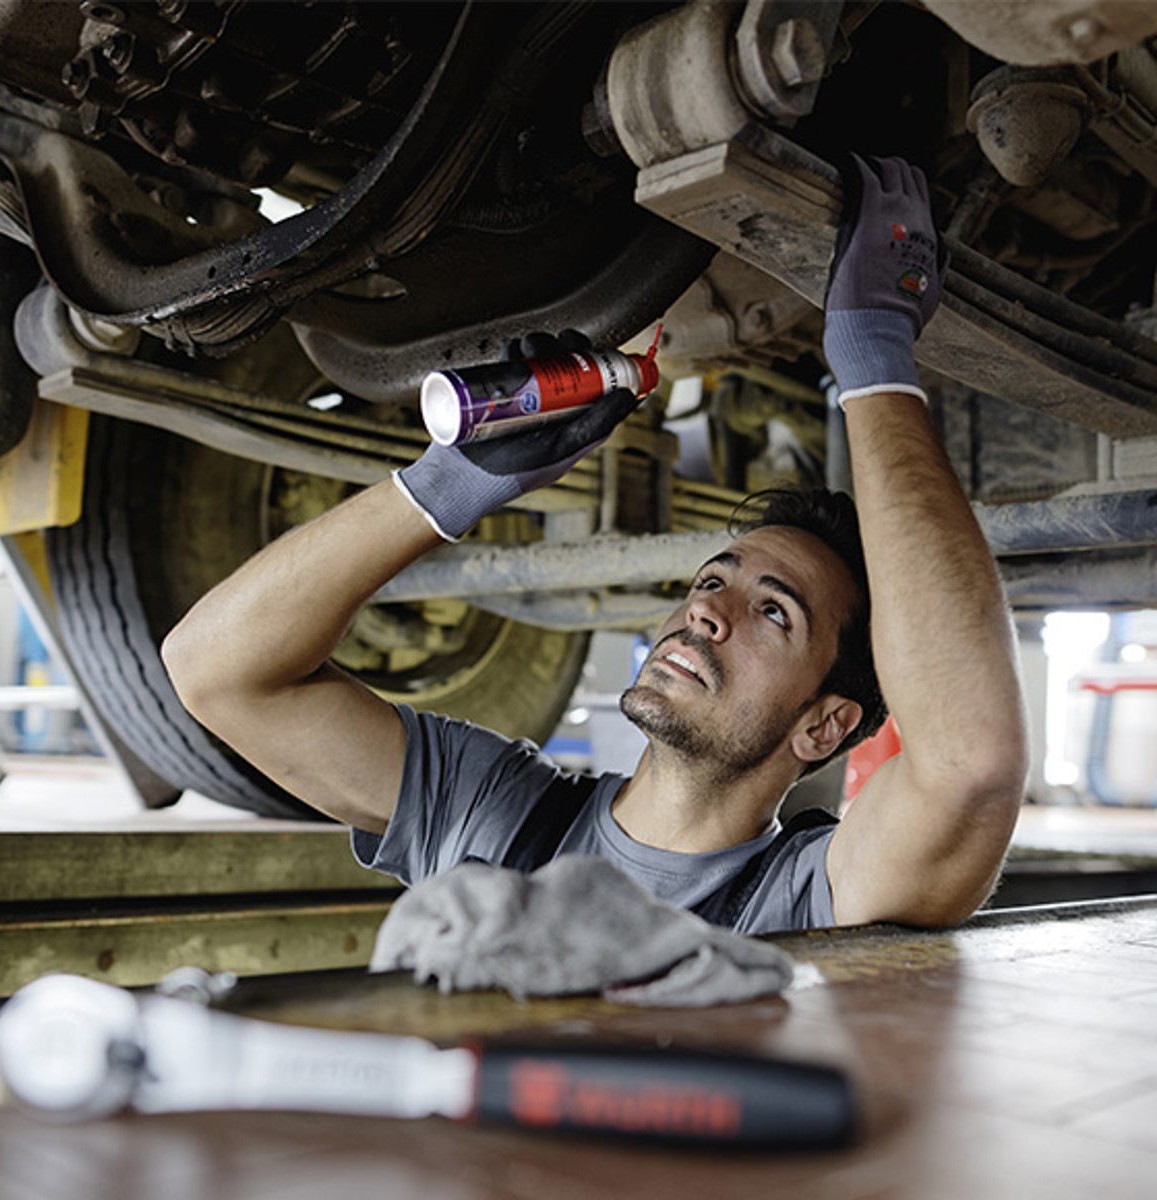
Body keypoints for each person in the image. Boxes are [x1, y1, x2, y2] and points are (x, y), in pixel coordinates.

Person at [162, 157, 1028, 933]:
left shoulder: (810, 897)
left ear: (825, 725)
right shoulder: (492, 811)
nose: (706, 610)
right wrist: (450, 482)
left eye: (773, 611)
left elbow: (970, 765)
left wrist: (874, 361)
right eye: (713, 580)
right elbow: (215, 669)